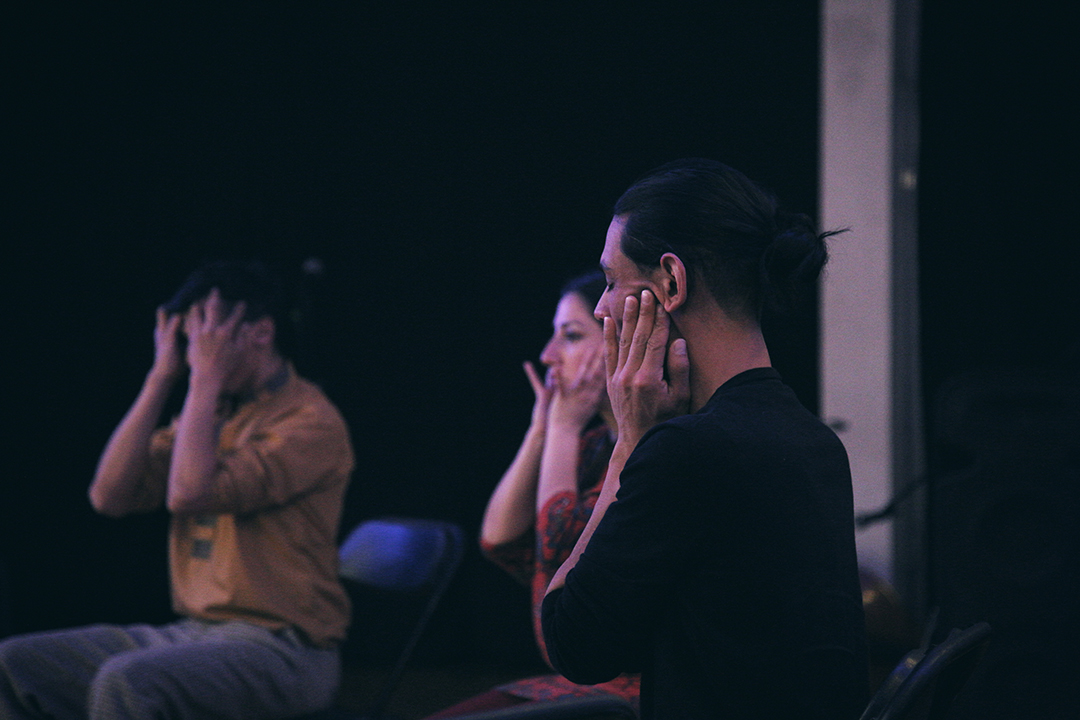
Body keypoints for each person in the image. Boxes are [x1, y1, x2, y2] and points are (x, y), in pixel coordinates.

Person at [542, 159, 868, 719]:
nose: (601, 307)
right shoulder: (815, 441)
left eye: (612, 280)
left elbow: (573, 644)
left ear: (670, 282)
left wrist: (630, 442)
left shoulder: (686, 452)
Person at [0, 260, 355, 719]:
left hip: (284, 648)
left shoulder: (310, 421)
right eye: (190, 340)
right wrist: (160, 378)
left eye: (207, 335)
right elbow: (109, 497)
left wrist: (204, 381)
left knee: (129, 681)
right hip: (196, 631)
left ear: (261, 332)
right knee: (14, 664)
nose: (196, 353)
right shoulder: (216, 410)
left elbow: (189, 495)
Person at [427, 272, 639, 718]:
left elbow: (561, 548)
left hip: (632, 692)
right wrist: (540, 432)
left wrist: (563, 427)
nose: (547, 356)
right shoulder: (592, 446)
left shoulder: (649, 447)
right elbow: (499, 541)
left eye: (571, 336)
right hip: (580, 685)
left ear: (622, 343)